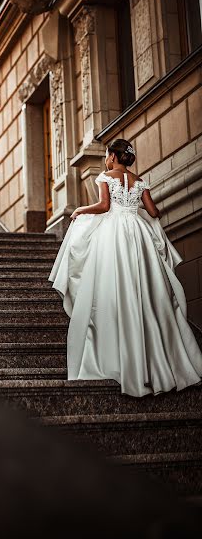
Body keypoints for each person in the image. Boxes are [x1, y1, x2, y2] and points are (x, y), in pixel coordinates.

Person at [49, 138, 202, 397]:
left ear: (111, 156)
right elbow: (154, 213)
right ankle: (161, 362)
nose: (106, 160)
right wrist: (135, 212)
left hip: (115, 236)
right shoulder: (139, 180)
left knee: (116, 286)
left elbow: (104, 207)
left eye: (107, 156)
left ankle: (121, 355)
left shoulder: (106, 177)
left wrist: (79, 210)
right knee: (146, 290)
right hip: (139, 235)